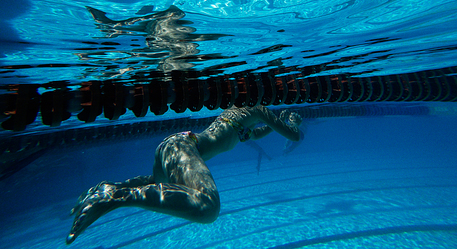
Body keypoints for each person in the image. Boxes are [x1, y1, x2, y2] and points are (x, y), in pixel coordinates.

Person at [66, 105, 303, 244]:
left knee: (162, 184)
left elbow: (256, 134)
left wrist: (278, 122)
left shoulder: (241, 118)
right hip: (182, 147)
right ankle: (116, 197)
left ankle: (111, 188)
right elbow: (293, 136)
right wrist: (291, 120)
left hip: (175, 146)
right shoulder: (256, 109)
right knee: (207, 206)